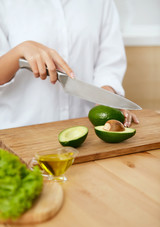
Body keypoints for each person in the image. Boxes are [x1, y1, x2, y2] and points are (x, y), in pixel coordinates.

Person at [0, 0, 139, 130]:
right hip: (20, 132)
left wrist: (106, 96)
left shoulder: (101, 3)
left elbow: (109, 62)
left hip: (86, 131)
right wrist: (18, 52)